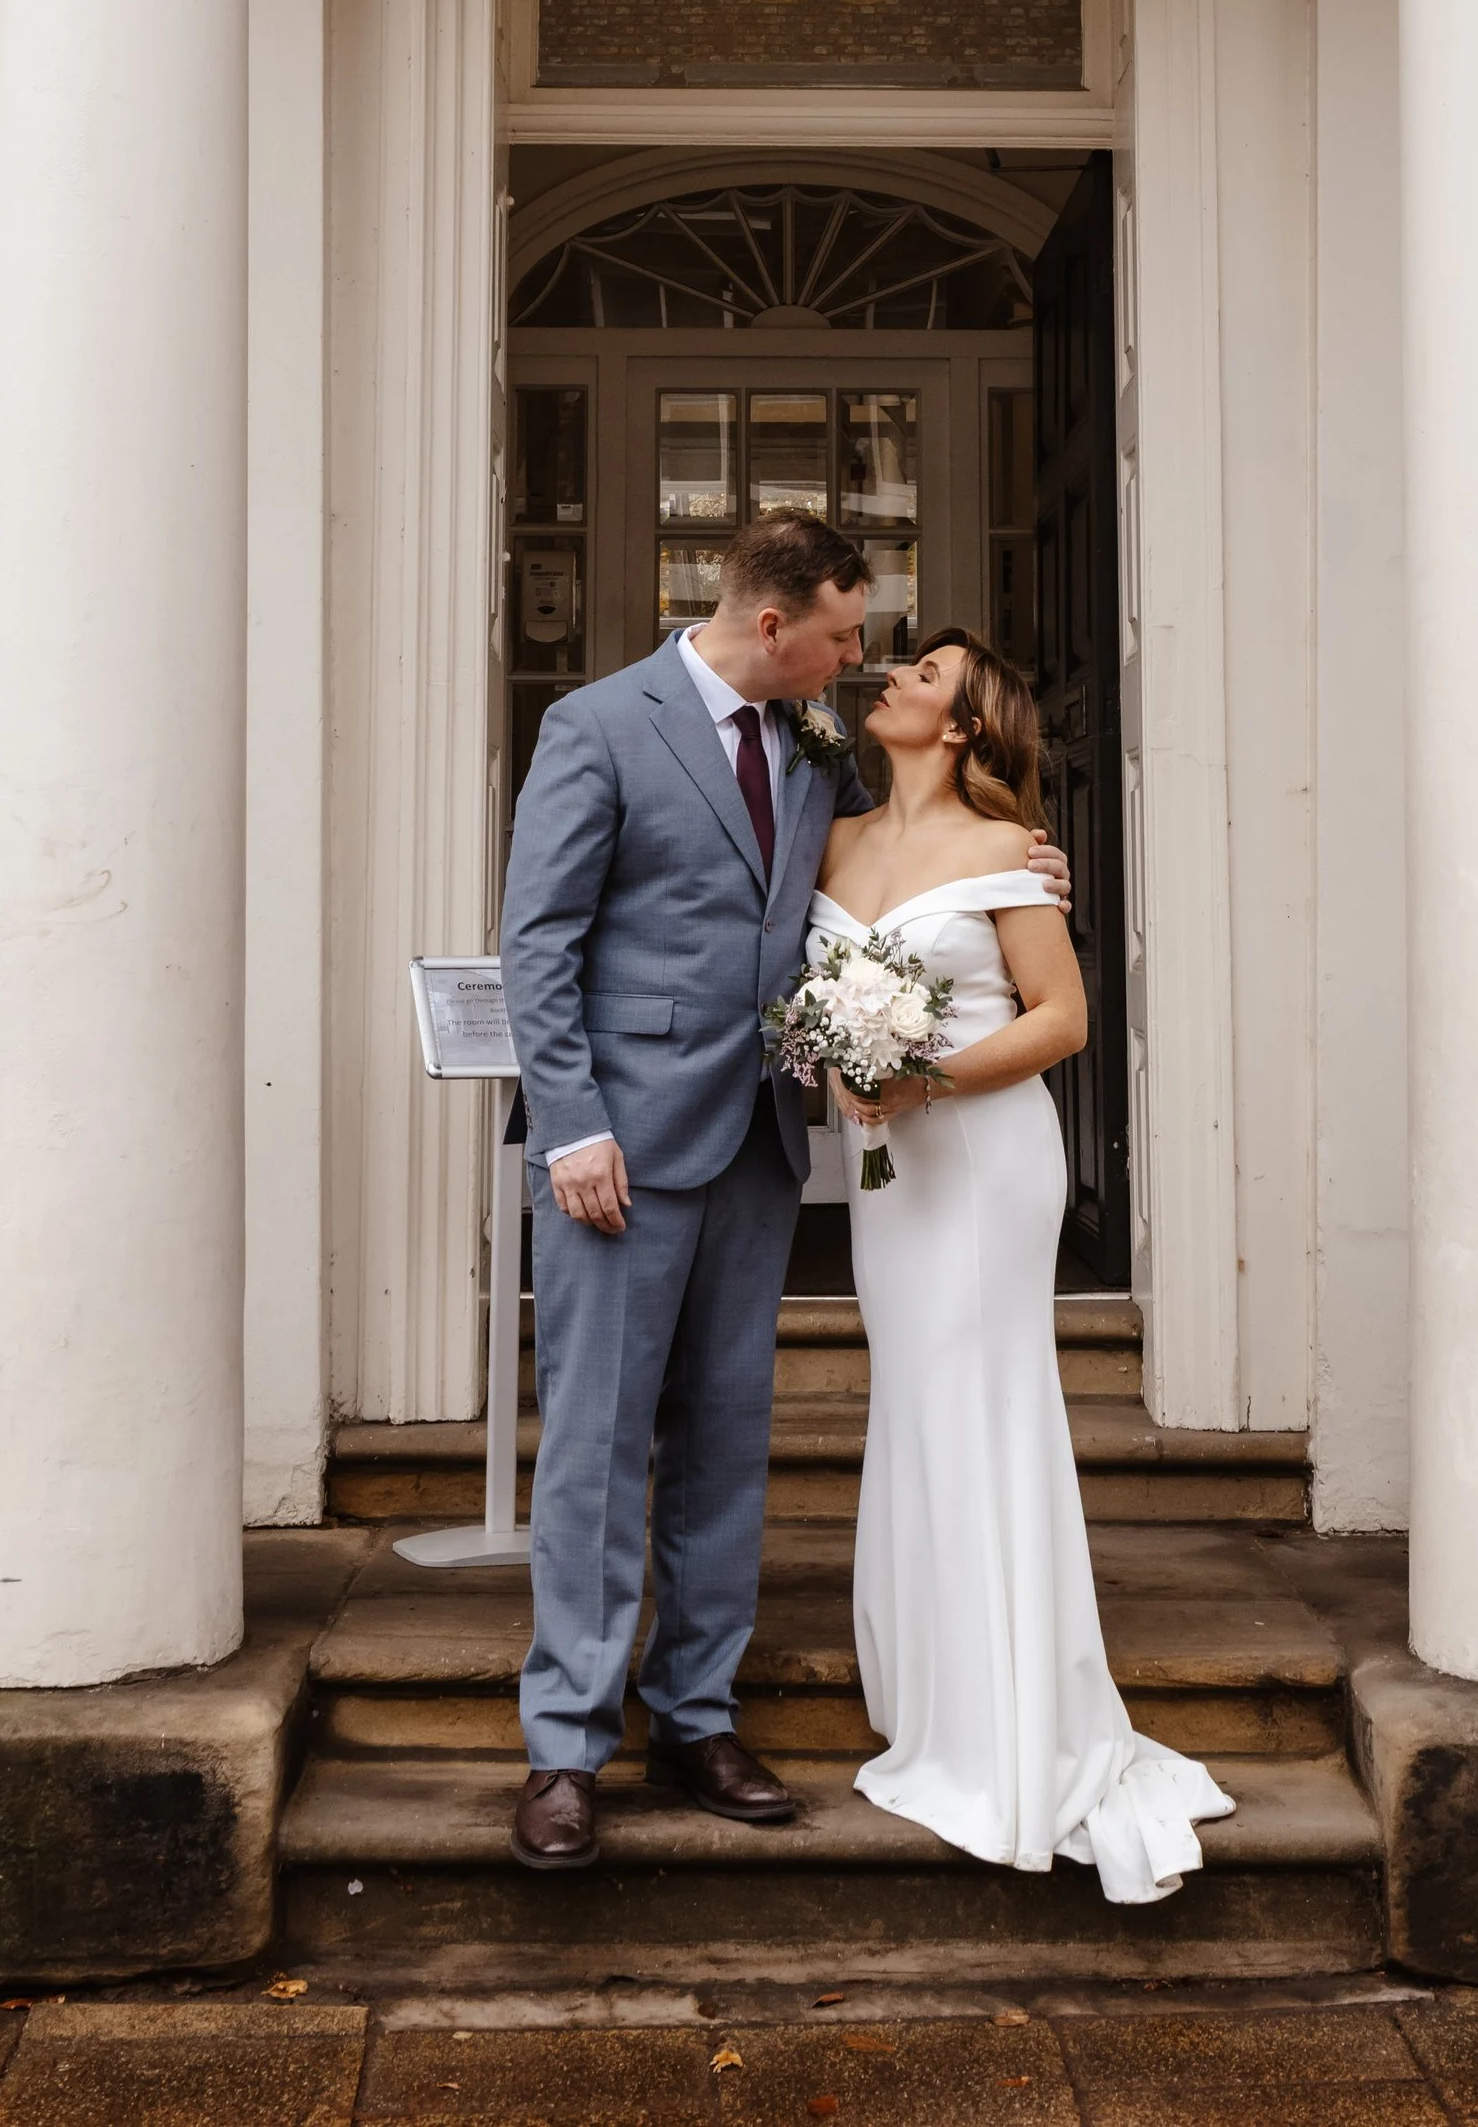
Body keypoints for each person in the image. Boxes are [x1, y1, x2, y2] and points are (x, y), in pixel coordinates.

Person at [498, 519, 1070, 1872]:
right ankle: (566, 1745)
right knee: (596, 1445)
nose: (858, 663)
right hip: (618, 1156)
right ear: (775, 626)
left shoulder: (812, 750)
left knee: (724, 1443)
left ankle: (697, 1714)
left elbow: (895, 875)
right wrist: (571, 1126)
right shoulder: (598, 725)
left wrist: (1021, 862)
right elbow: (539, 938)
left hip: (760, 1144)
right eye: (844, 633)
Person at [812, 626, 1233, 1902]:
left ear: (965, 726)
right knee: (915, 1400)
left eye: (922, 676)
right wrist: (845, 1066)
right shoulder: (828, 842)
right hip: (888, 1170)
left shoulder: (1005, 854)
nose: (892, 677)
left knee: (986, 1402)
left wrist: (919, 1072)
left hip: (986, 1162)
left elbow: (1061, 1018)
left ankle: (1005, 1709)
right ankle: (929, 1687)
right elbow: (815, 991)